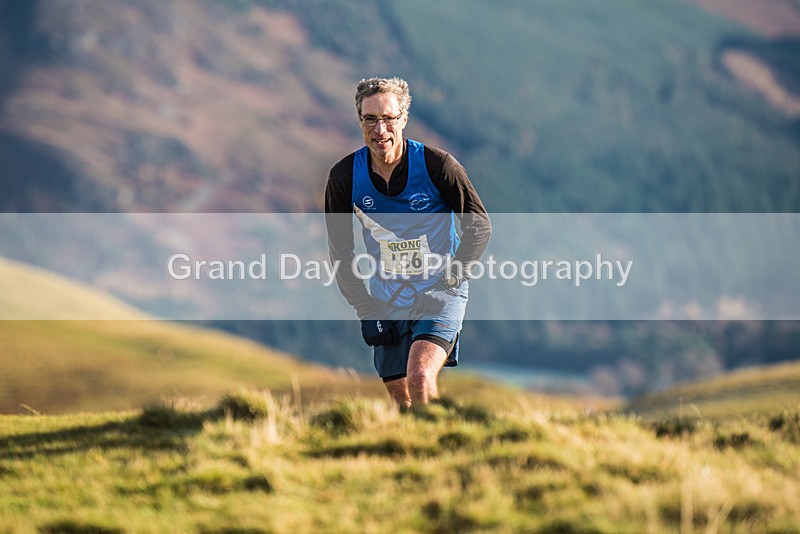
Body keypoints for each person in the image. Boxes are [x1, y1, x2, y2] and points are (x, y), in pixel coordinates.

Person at [325, 76, 491, 409]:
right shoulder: (344, 178)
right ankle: (417, 453)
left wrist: (449, 283)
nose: (380, 129)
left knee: (419, 377)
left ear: (403, 119)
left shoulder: (437, 166)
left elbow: (479, 225)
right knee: (401, 402)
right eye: (370, 119)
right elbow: (341, 253)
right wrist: (366, 311)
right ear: (360, 121)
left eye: (388, 118)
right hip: (388, 298)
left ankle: (438, 448)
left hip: (439, 290)